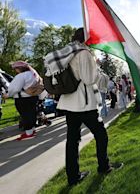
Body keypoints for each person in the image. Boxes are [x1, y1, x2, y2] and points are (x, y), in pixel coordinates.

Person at [53, 28, 122, 186]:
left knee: (72, 140)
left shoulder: (68, 51)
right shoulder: (83, 52)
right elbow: (89, 79)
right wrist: (98, 70)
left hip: (71, 103)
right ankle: (104, 167)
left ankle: (73, 177)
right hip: (83, 103)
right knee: (101, 135)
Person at [5, 61, 40, 140]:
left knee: (25, 115)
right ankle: (32, 130)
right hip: (33, 96)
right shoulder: (33, 74)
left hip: (22, 99)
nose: (15, 71)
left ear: (19, 68)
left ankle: (28, 133)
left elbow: (15, 88)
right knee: (32, 113)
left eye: (15, 69)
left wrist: (8, 95)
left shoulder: (20, 76)